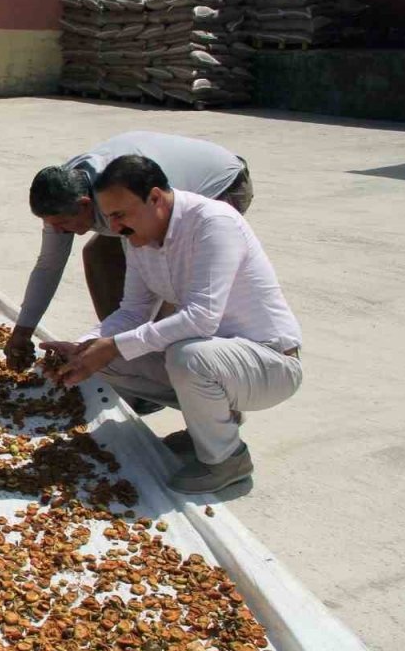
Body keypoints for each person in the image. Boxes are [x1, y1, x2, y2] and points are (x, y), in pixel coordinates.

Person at [39, 155, 302, 495]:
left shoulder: (213, 223)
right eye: (110, 217)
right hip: (217, 360)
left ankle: (227, 459)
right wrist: (85, 346)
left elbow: (201, 317)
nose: (114, 227)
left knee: (186, 357)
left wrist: (114, 345)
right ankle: (210, 426)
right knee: (103, 359)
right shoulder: (138, 237)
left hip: (269, 363)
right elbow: (133, 311)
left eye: (120, 215)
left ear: (155, 198)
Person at [5, 131, 253, 370]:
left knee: (170, 279)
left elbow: (154, 253)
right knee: (99, 256)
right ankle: (120, 352)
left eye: (63, 224)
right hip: (156, 185)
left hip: (223, 183)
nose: (58, 231)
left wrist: (123, 343)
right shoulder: (63, 192)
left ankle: (167, 365)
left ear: (85, 205)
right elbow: (49, 265)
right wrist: (23, 330)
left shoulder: (120, 195)